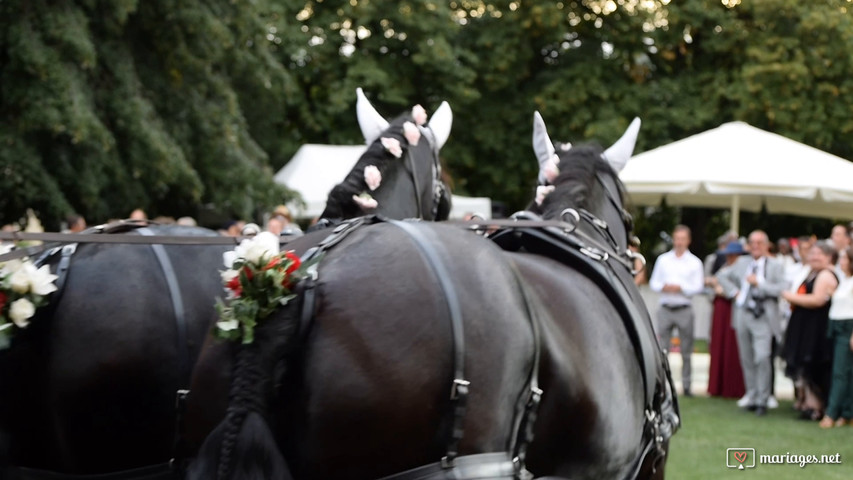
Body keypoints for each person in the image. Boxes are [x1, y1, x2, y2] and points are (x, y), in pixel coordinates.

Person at [716, 230, 787, 416]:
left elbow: (782, 288)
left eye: (759, 242)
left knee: (762, 357)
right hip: (742, 313)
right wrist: (735, 293)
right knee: (746, 358)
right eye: (752, 242)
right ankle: (753, 395)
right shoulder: (741, 263)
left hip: (763, 315)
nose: (755, 246)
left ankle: (764, 399)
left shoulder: (775, 266)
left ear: (766, 245)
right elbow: (721, 276)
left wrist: (760, 283)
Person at [782, 241, 838, 421]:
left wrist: (791, 297)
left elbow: (818, 299)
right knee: (803, 367)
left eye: (819, 254)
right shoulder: (810, 273)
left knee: (813, 364)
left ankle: (817, 407)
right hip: (804, 325)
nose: (814, 257)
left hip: (816, 328)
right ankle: (808, 403)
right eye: (812, 253)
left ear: (829, 257)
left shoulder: (826, 274)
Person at [648, 225, 705, 397]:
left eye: (682, 238)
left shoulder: (695, 262)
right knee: (662, 349)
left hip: (684, 308)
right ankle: (662, 385)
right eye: (677, 238)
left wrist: (681, 288)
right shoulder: (663, 260)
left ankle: (687, 386)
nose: (679, 242)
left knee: (686, 350)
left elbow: (698, 286)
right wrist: (665, 287)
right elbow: (654, 283)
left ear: (688, 240)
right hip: (666, 307)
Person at [707, 241, 747, 399]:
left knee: (732, 348)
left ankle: (733, 387)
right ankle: (717, 385)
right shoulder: (725, 267)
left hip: (733, 308)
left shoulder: (743, 268)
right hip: (720, 309)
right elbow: (713, 281)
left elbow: (738, 290)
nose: (730, 257)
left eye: (733, 254)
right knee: (718, 345)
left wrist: (724, 291)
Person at [820, 246, 853, 428]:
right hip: (837, 325)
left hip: (848, 327)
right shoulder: (845, 280)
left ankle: (831, 414)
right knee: (846, 372)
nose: (841, 262)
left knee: (840, 373)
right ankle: (847, 413)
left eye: (844, 259)